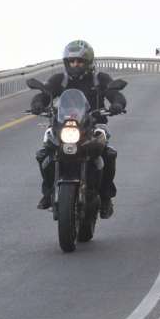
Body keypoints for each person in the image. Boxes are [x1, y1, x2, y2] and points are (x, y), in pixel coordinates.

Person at [30, 40, 126, 218]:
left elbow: (114, 94)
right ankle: (48, 192)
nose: (75, 64)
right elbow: (45, 94)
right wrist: (37, 104)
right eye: (72, 61)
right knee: (44, 153)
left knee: (108, 154)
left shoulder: (100, 79)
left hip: (94, 125)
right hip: (63, 125)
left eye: (80, 61)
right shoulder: (60, 80)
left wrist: (117, 104)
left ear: (88, 62)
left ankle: (106, 197)